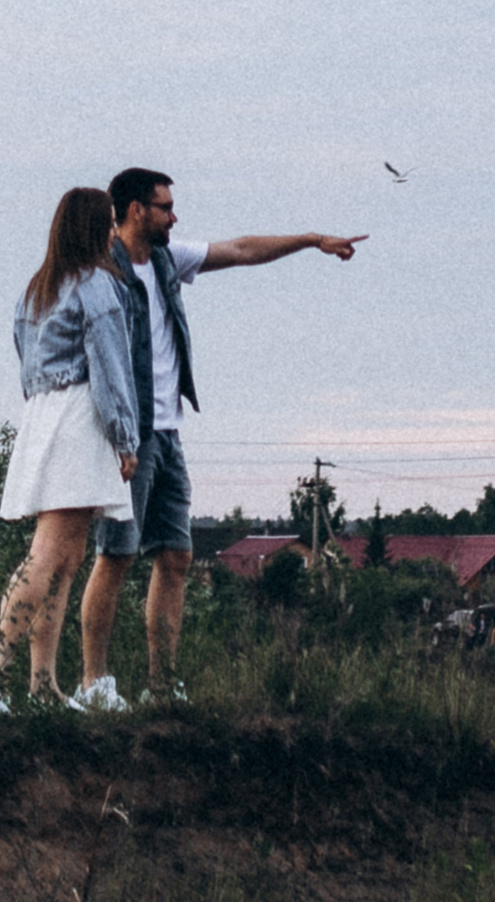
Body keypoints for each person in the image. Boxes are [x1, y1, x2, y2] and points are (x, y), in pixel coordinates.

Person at [73, 165, 360, 710]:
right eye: (164, 207)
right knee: (116, 555)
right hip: (126, 438)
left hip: (169, 431)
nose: (173, 216)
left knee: (177, 557)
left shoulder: (165, 260)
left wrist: (311, 241)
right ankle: (94, 685)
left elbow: (243, 250)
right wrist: (113, 433)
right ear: (136, 209)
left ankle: (162, 687)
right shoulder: (99, 268)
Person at [0, 184, 142, 710]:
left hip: (43, 415)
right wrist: (125, 437)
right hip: (79, 417)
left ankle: (43, 684)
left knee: (66, 558)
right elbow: (111, 369)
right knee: (49, 555)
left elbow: (26, 361)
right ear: (99, 228)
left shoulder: (37, 289)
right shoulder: (97, 286)